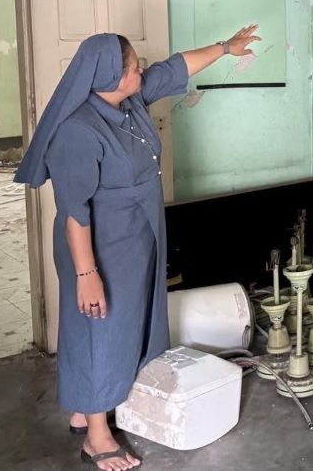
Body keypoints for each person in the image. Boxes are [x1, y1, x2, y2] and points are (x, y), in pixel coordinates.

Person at [14, 26, 260, 471]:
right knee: (98, 330)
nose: (139, 70)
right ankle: (97, 438)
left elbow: (177, 67)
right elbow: (74, 214)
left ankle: (86, 409)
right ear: (110, 76)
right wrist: (87, 274)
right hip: (97, 248)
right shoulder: (78, 131)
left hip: (134, 240)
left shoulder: (129, 101)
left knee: (123, 328)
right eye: (131, 67)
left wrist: (226, 48)